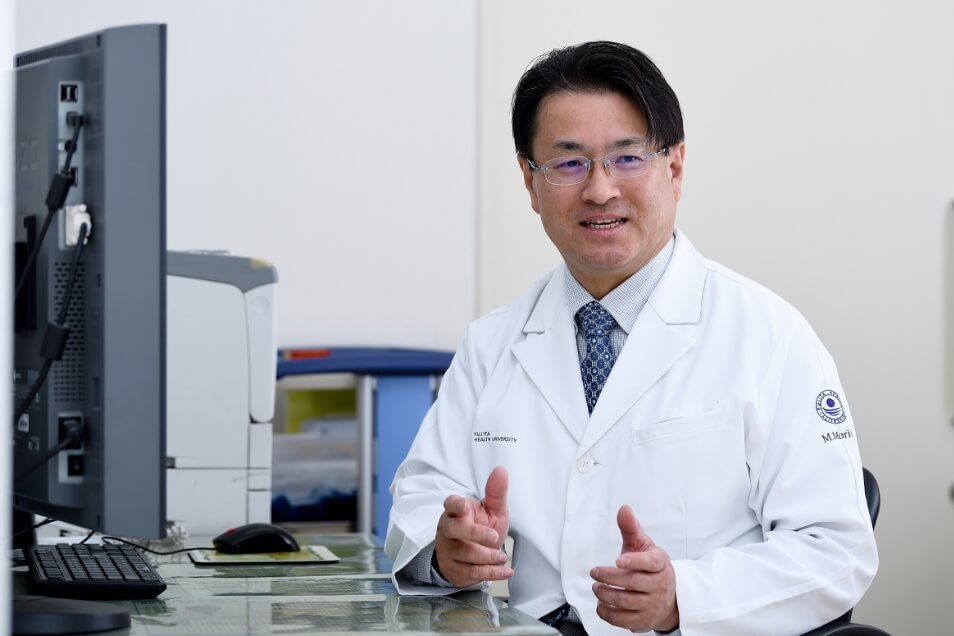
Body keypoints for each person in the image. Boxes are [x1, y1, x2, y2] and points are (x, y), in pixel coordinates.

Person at [385, 41, 878, 636]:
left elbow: (835, 549)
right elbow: (424, 494)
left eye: (627, 158)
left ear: (675, 168)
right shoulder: (491, 344)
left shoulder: (770, 337)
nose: (600, 190)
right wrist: (445, 550)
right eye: (569, 164)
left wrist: (683, 597)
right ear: (530, 183)